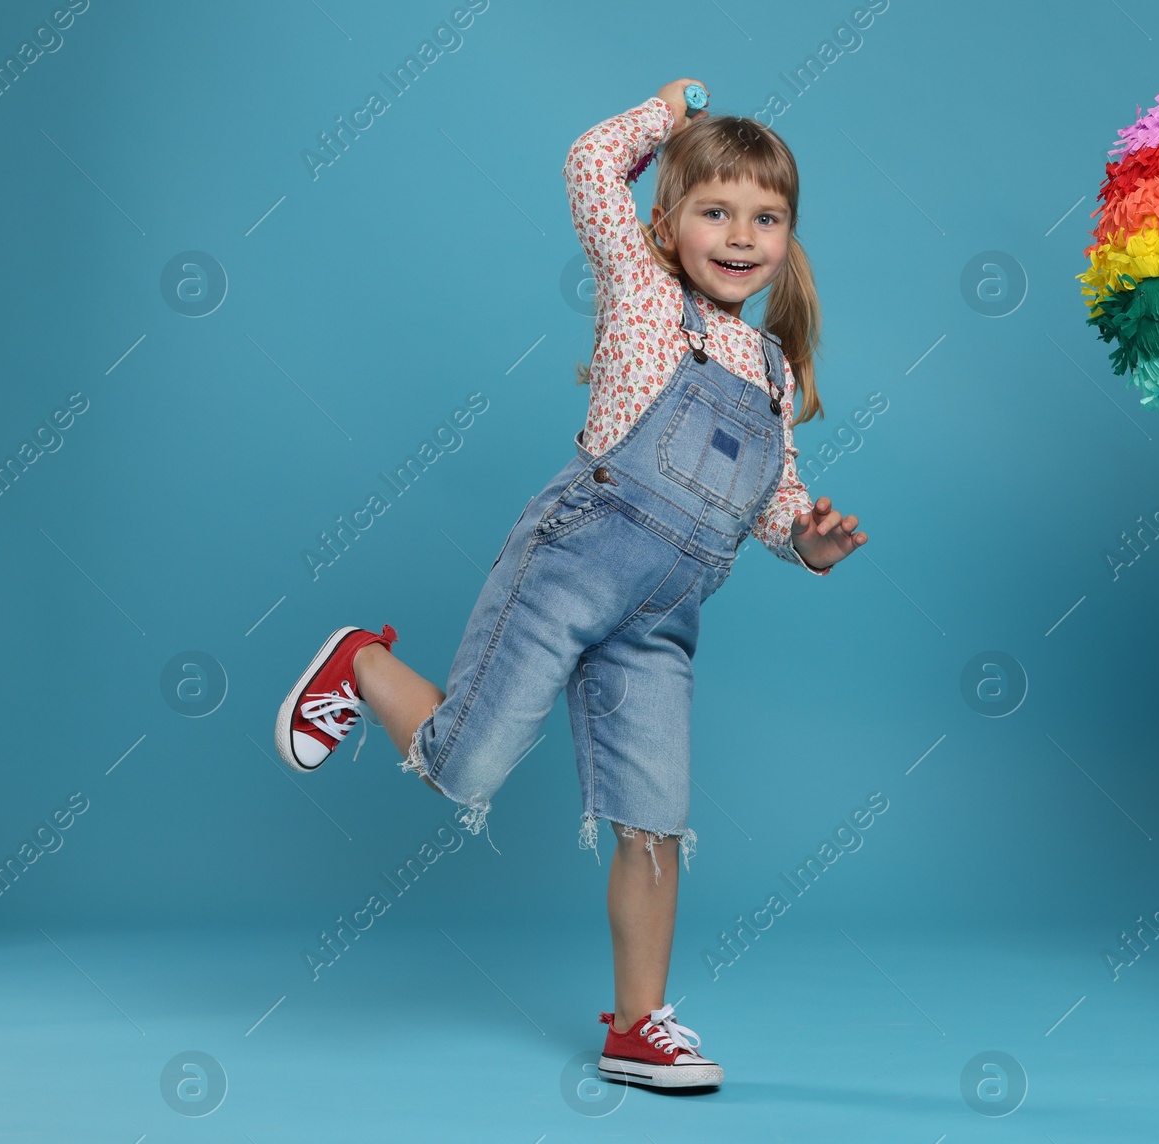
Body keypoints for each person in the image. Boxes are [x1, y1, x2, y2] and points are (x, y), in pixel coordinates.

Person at [272, 78, 866, 1090]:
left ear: (789, 237)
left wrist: (805, 542)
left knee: (654, 818)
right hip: (571, 567)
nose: (738, 234)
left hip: (662, 622)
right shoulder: (641, 295)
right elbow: (588, 163)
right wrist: (665, 114)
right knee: (463, 767)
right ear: (665, 223)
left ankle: (640, 1025)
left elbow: (771, 501)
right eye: (713, 211)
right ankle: (359, 662)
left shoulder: (769, 369)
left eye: (764, 218)